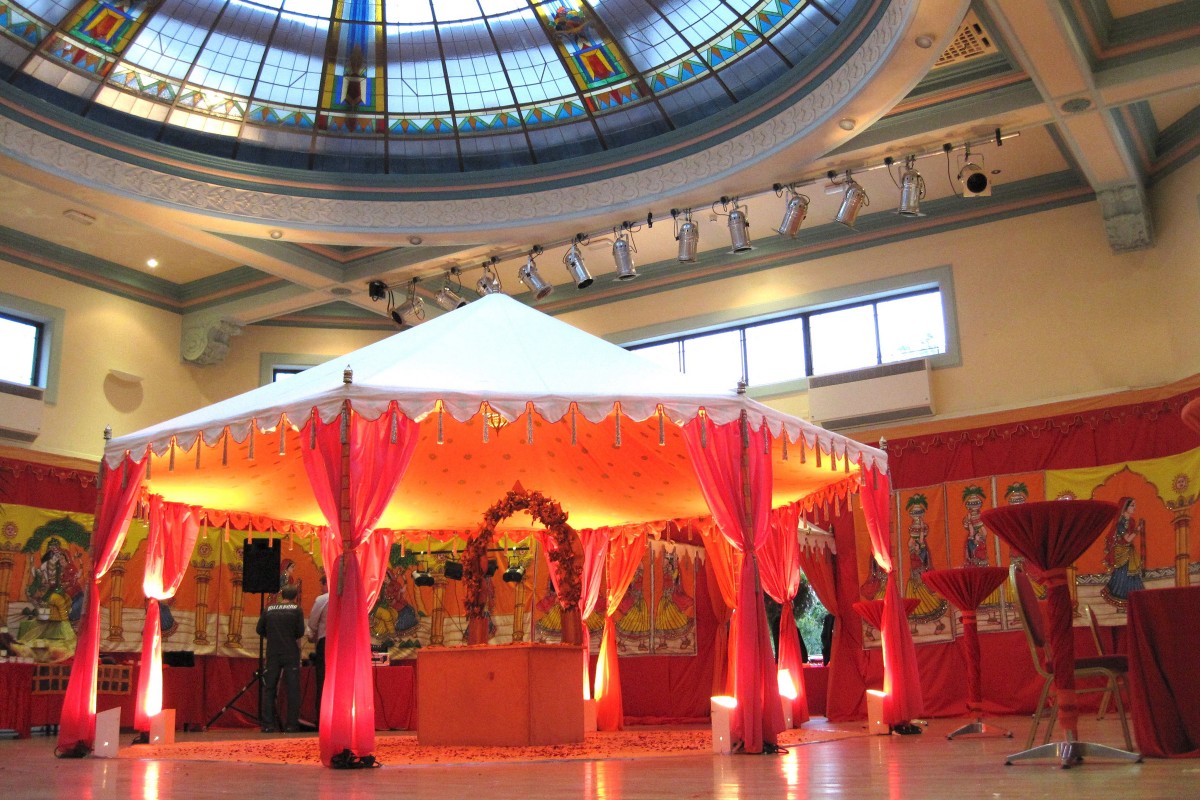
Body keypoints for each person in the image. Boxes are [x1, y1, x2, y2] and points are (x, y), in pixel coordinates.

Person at [257, 583, 305, 733]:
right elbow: (300, 632)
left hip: (272, 652)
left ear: (281, 595)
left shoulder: (269, 609)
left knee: (269, 688)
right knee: (292, 689)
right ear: (295, 597)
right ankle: (291, 725)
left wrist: (271, 636)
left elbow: (259, 629)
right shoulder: (297, 610)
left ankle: (267, 725)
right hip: (290, 652)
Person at [306, 575, 329, 725]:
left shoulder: (322, 600)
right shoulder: (347, 597)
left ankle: (322, 719)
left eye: (322, 585)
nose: (321, 589)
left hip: (325, 642)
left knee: (323, 680)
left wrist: (310, 636)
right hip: (344, 644)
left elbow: (312, 625)